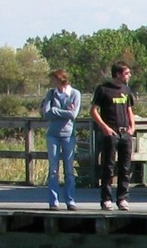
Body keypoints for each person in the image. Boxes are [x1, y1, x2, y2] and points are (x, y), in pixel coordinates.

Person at [90, 58, 137, 211]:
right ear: (118, 74)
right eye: (126, 73)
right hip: (111, 133)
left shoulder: (126, 90)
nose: (129, 76)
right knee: (108, 167)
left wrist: (132, 127)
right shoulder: (103, 89)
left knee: (125, 167)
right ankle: (106, 199)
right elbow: (93, 110)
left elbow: (129, 109)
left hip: (125, 134)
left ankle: (123, 198)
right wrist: (104, 127)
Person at [39, 68, 80, 209]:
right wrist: (64, 111)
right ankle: (54, 201)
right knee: (53, 169)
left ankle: (70, 199)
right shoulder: (51, 94)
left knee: (69, 168)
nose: (52, 82)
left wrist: (56, 111)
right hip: (53, 134)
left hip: (68, 134)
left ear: (60, 79)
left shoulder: (75, 94)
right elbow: (47, 113)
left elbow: (73, 115)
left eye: (53, 79)